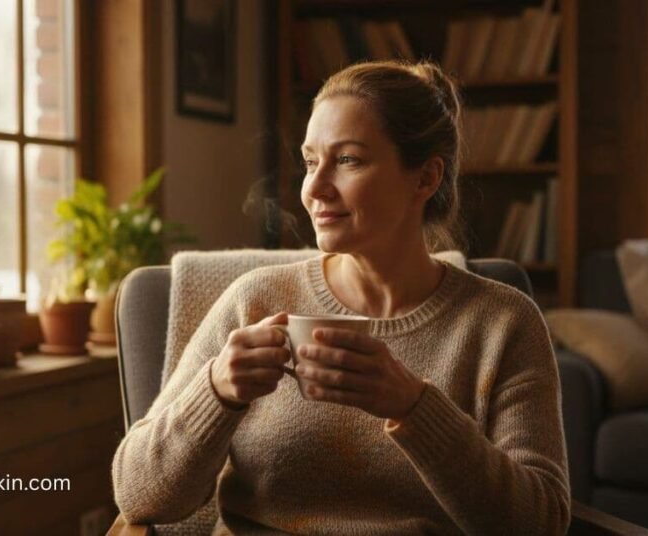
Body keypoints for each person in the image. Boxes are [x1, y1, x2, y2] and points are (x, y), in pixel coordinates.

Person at [112, 60, 571, 535]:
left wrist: (413, 407)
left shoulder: (504, 323)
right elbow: (138, 494)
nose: (314, 189)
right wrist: (217, 392)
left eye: (348, 160)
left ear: (426, 178)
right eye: (311, 162)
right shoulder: (256, 300)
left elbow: (539, 524)